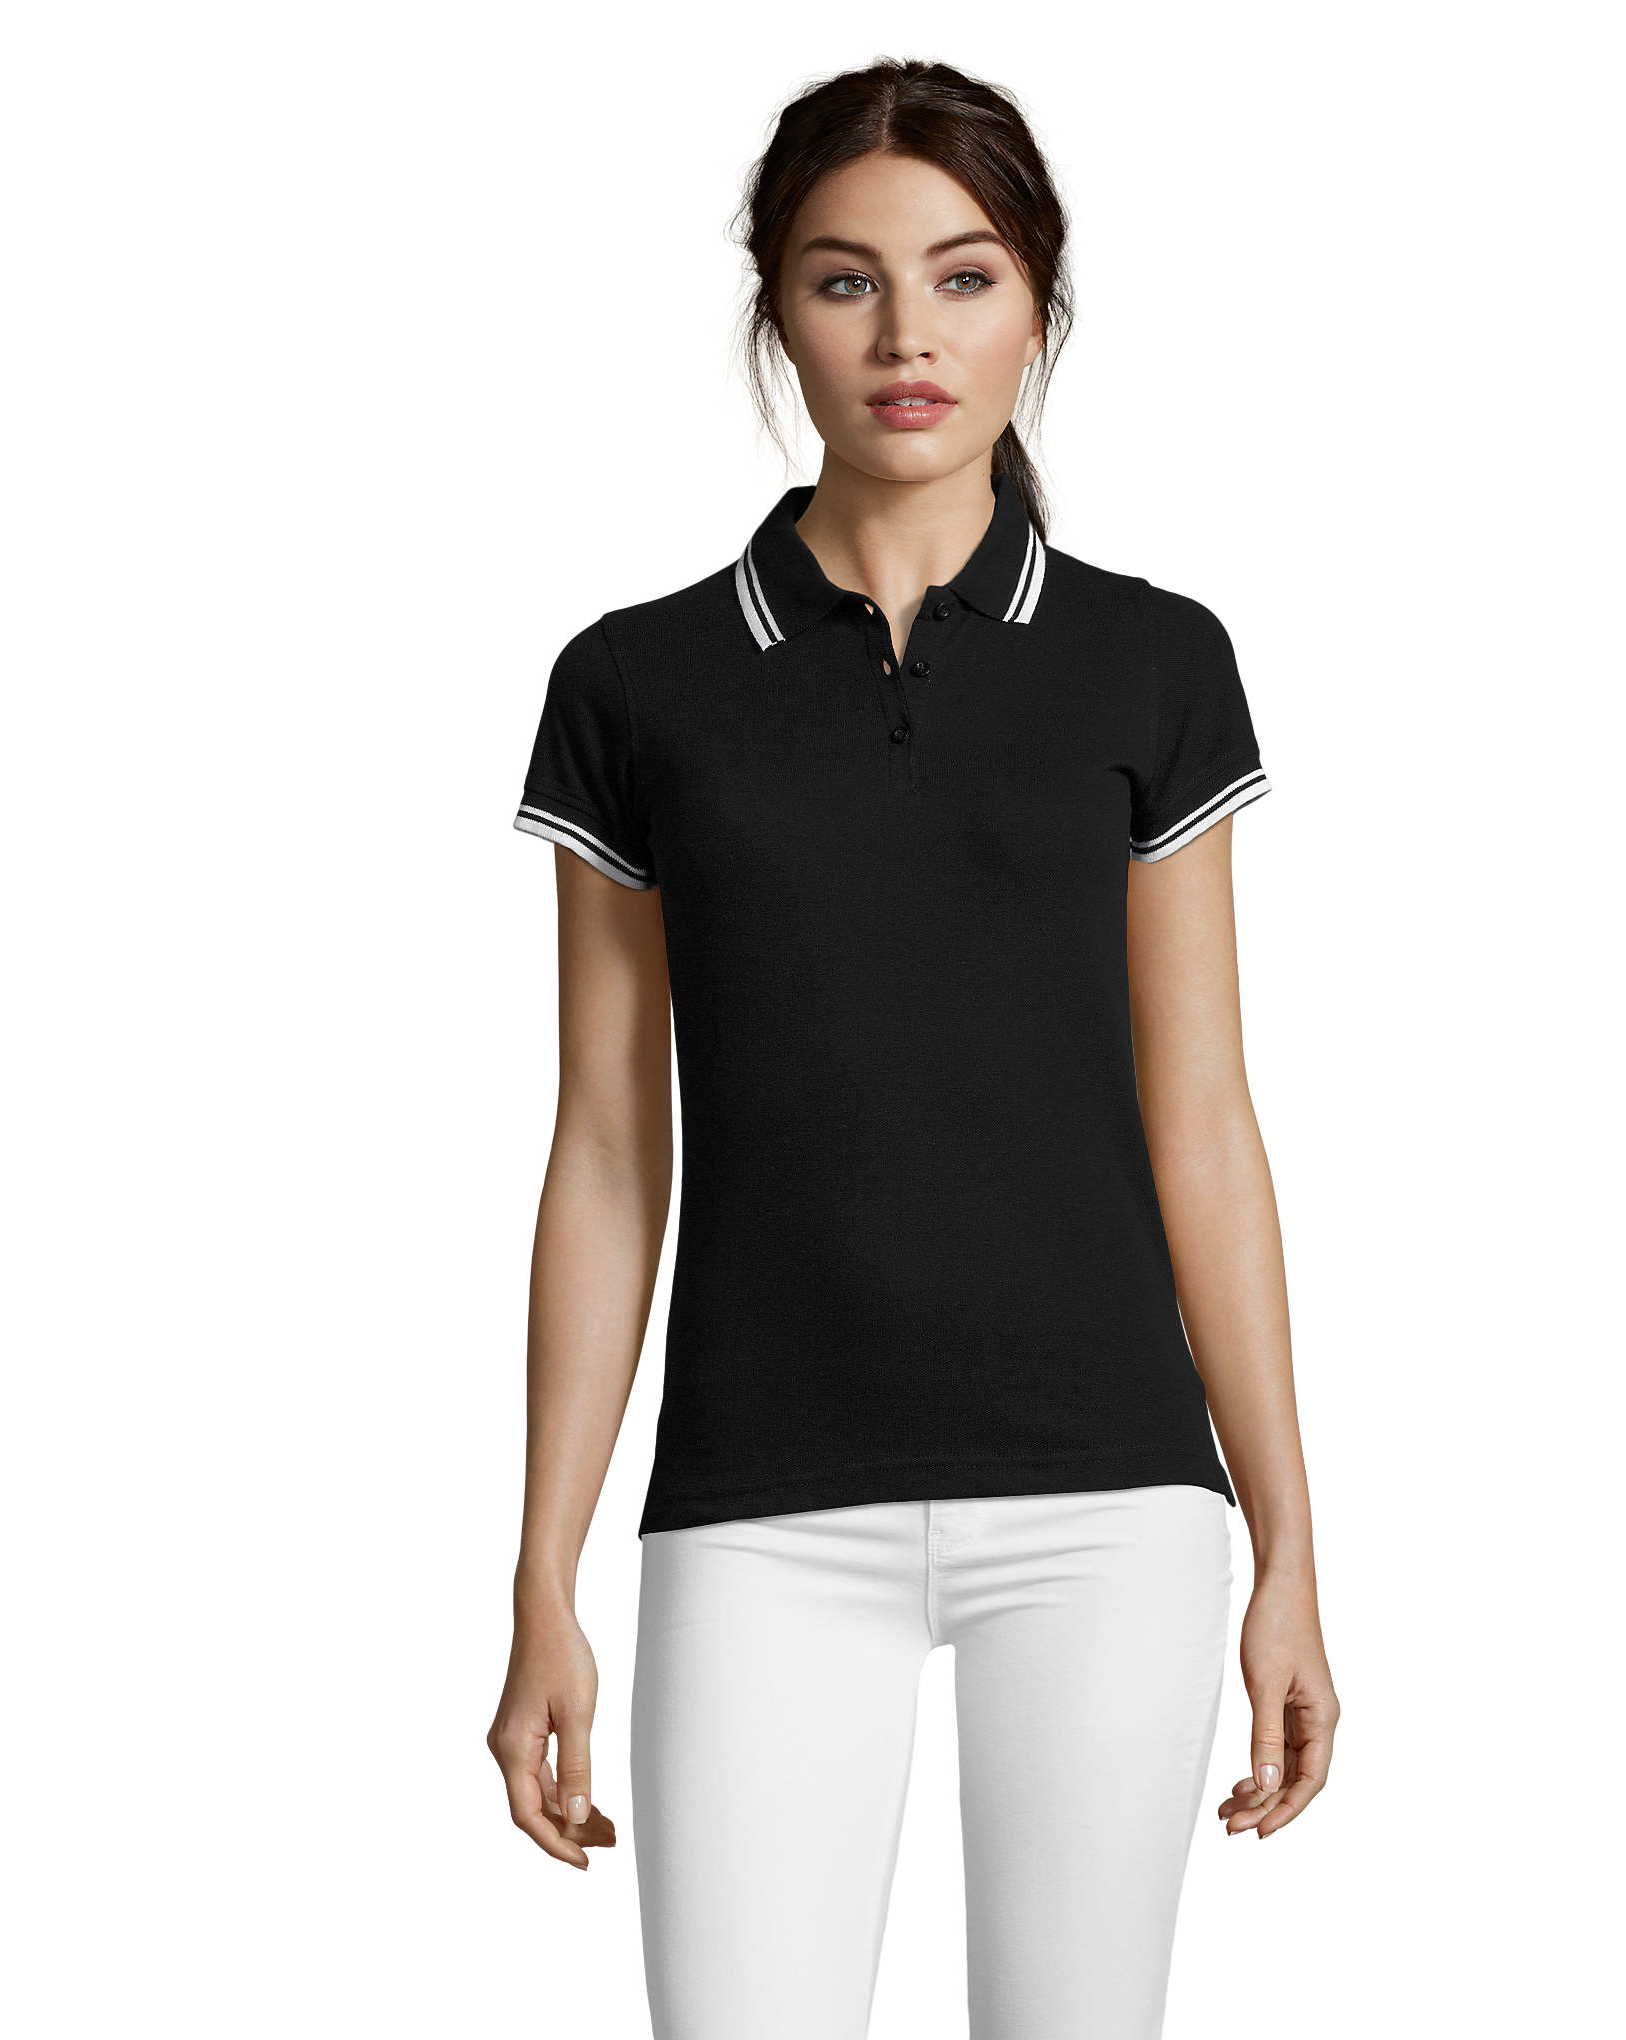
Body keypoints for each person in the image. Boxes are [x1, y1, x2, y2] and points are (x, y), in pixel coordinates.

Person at [487, 56, 1338, 2040]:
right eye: (843, 280)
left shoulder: (1152, 661)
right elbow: (606, 1151)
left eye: (962, 278)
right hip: (758, 1506)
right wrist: (543, 1575)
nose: (905, 338)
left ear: (1037, 302)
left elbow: (1203, 1120)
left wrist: (1289, 1545)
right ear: (775, 311)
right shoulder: (634, 684)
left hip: (1109, 1507)